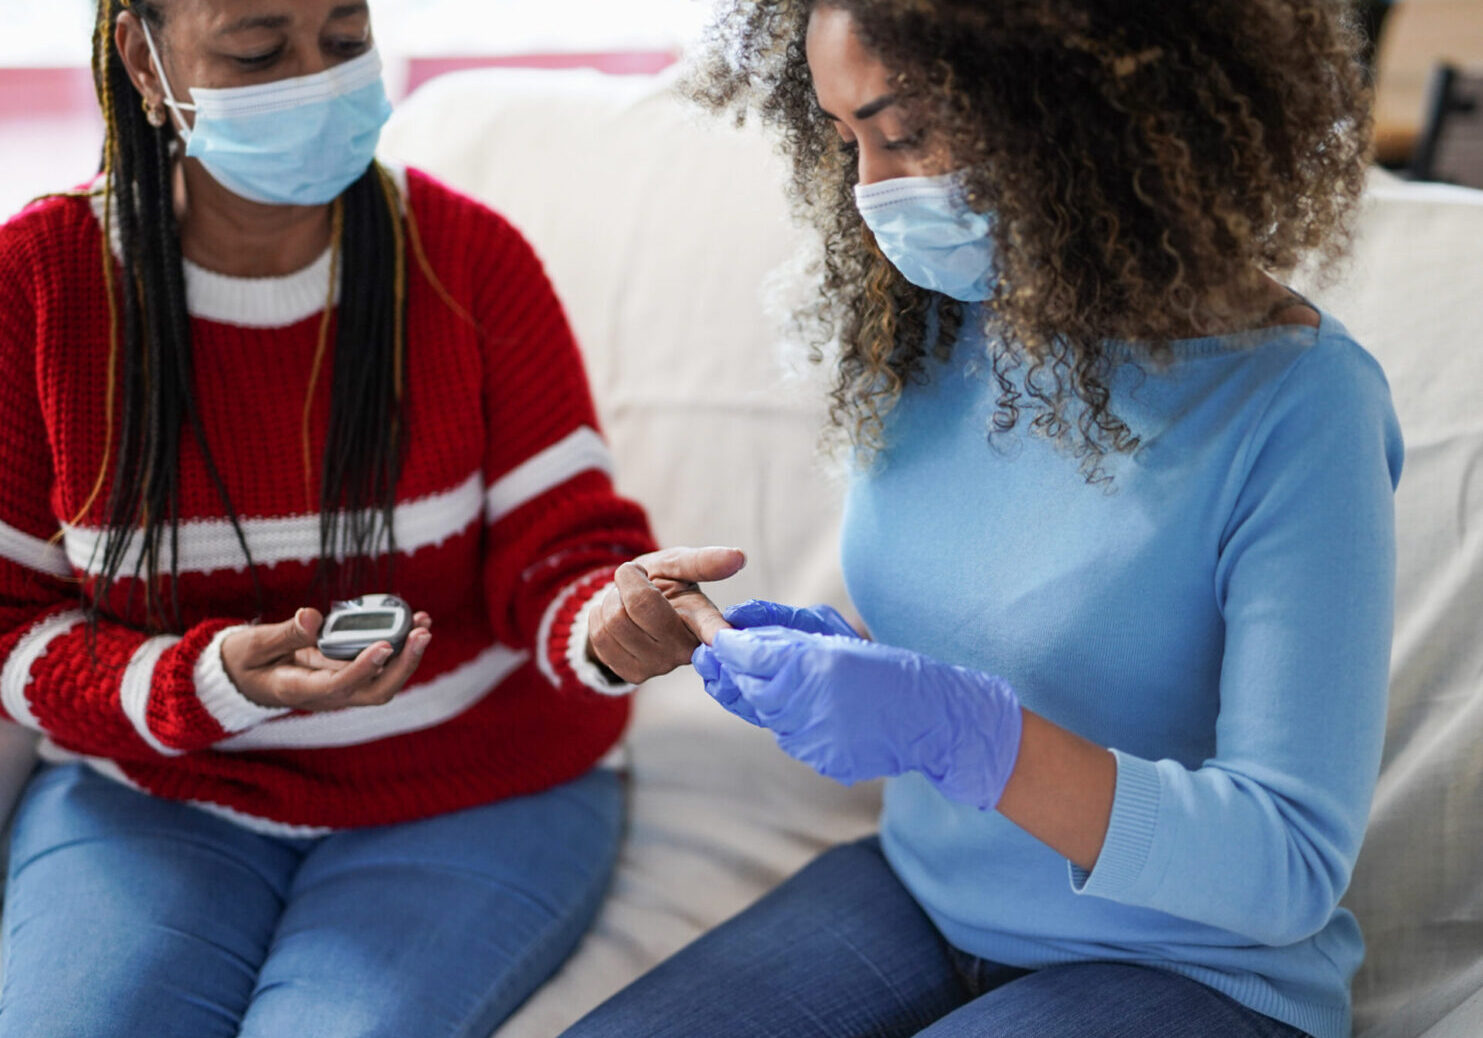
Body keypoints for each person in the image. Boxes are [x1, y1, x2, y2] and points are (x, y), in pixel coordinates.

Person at [562, 2, 1401, 1037]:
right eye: (847, 140)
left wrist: (967, 732)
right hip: (920, 893)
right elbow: (997, 629)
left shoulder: (1302, 408)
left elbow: (1287, 867)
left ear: (1076, 98)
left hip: (1187, 968)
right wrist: (824, 661)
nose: (873, 191)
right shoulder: (933, 327)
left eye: (904, 134)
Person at [0, 2, 728, 1036]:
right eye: (258, 50)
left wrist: (610, 623)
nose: (316, 81)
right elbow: (9, 619)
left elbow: (563, 551)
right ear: (144, 61)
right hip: (160, 789)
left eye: (345, 43)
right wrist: (202, 684)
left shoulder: (470, 262)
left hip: (475, 782)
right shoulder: (40, 286)